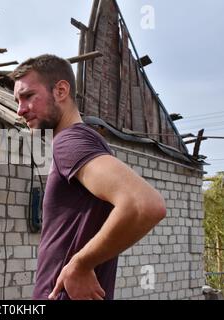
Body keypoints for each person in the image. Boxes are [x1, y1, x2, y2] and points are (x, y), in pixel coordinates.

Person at [11, 54, 166, 300]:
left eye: (28, 96)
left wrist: (81, 264)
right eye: (18, 100)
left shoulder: (70, 142)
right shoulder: (89, 142)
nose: (20, 110)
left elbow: (144, 204)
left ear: (61, 90)